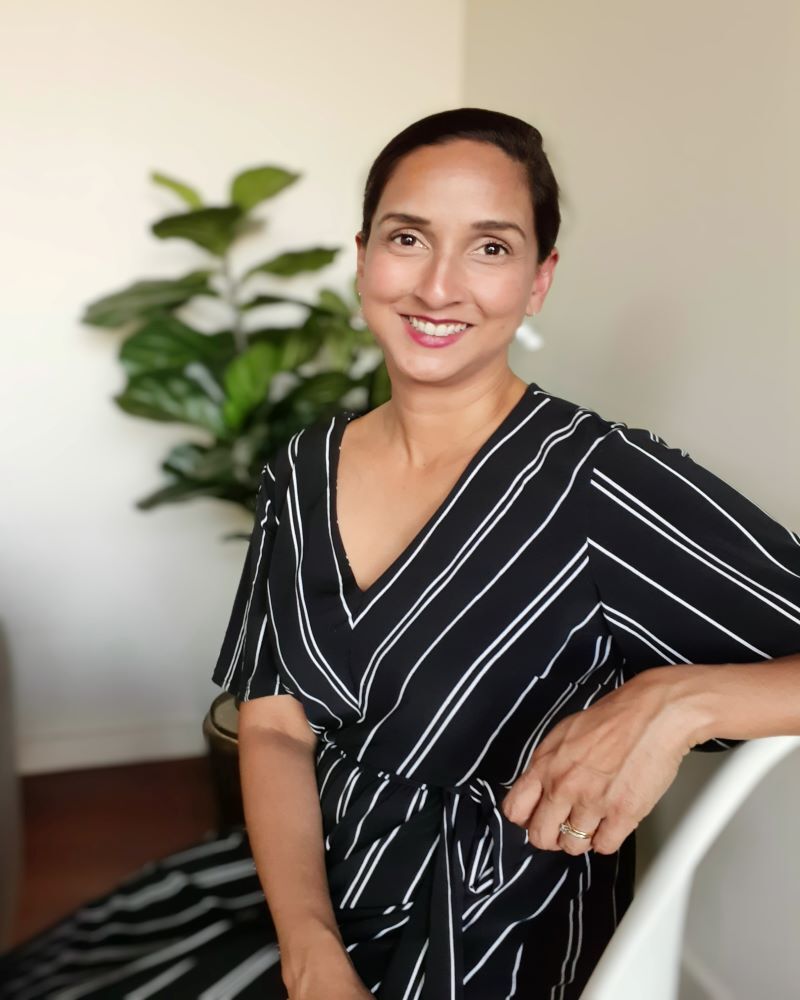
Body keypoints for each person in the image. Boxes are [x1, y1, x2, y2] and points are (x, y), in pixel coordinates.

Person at [2, 107, 798, 1000]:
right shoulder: (304, 468)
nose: (438, 285)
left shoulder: (601, 482)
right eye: (409, 237)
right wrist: (310, 953)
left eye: (491, 248)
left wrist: (680, 698)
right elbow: (272, 723)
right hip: (306, 889)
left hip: (490, 938)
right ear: (364, 255)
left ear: (540, 280)